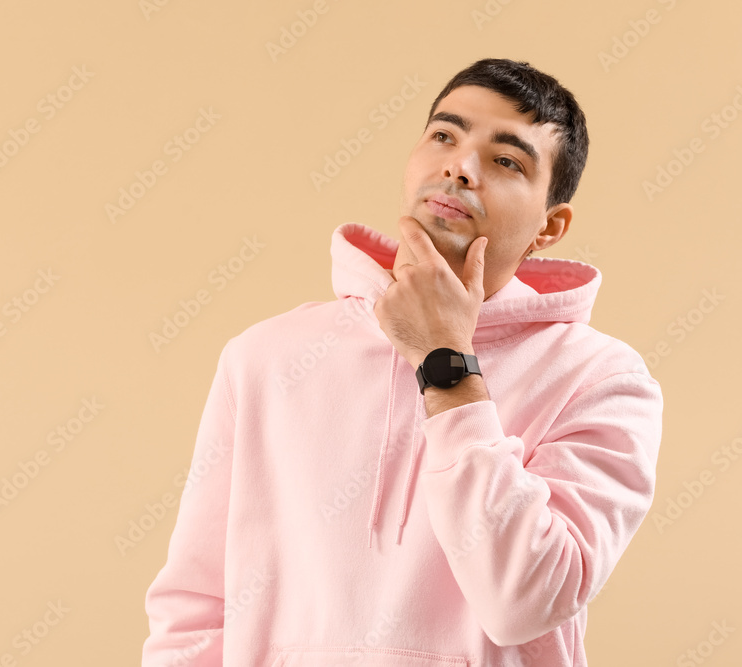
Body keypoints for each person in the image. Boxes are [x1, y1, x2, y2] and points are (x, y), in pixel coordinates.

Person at [142, 57, 664, 667]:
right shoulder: (265, 357)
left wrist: (446, 363)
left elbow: (523, 600)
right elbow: (196, 607)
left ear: (549, 226)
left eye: (505, 160)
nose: (459, 167)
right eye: (444, 135)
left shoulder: (602, 380)